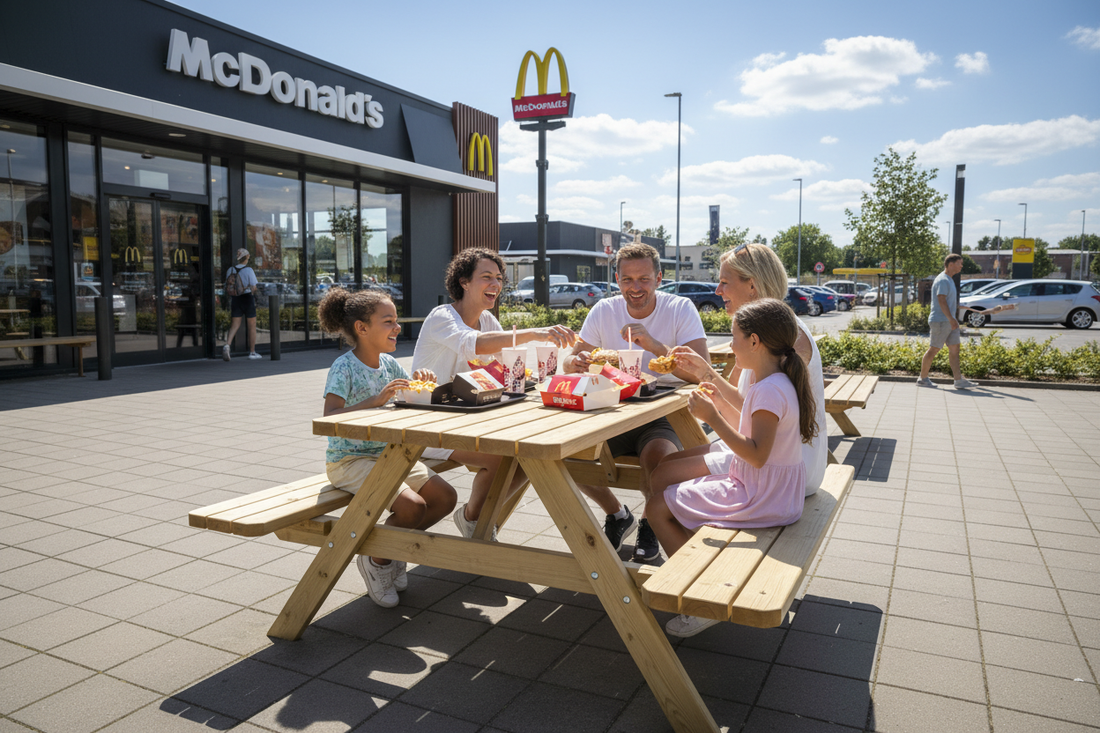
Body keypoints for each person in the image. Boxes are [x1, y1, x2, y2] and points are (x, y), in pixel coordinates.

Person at [648, 298, 818, 637]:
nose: (730, 345)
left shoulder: (769, 390)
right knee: (665, 488)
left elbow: (756, 455)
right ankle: (702, 573)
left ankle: (702, 593)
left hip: (761, 495)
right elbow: (757, 442)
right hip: (772, 490)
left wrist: (712, 417)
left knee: (655, 507)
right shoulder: (777, 381)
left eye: (734, 336)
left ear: (755, 342)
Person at [412, 248, 577, 538]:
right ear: (464, 282)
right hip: (429, 422)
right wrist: (533, 333)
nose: (495, 285)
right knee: (502, 458)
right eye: (486, 277)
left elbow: (505, 367)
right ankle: (476, 521)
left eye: (499, 278)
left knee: (530, 455)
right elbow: (474, 345)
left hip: (469, 418)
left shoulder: (489, 321)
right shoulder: (442, 317)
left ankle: (475, 517)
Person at [564, 242, 709, 561]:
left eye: (644, 279)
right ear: (617, 279)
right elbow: (570, 361)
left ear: (659, 278)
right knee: (565, 456)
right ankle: (617, 514)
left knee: (658, 460)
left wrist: (655, 345)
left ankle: (649, 522)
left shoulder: (679, 308)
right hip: (609, 410)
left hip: (663, 412)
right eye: (627, 279)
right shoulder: (604, 310)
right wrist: (576, 362)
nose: (635, 287)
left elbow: (703, 373)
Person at [655, 242, 828, 501]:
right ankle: (666, 527)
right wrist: (704, 371)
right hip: (768, 455)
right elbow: (748, 409)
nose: (717, 290)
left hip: (785, 470)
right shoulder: (763, 332)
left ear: (752, 285)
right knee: (663, 466)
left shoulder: (784, 339)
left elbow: (760, 426)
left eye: (725, 282)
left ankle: (672, 529)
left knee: (663, 477)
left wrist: (712, 411)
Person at [319, 287, 458, 608]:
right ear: (362, 328)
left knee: (444, 498)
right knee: (412, 508)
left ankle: (392, 550)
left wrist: (423, 382)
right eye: (388, 321)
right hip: (350, 460)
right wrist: (376, 400)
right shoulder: (344, 367)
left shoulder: (389, 364)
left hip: (390, 455)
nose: (397, 327)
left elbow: (410, 397)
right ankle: (377, 560)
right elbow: (328, 418)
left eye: (396, 320)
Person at [917, 253, 978, 389]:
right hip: (941, 321)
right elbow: (941, 299)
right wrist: (951, 319)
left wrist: (958, 310)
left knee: (955, 349)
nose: (961, 266)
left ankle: (958, 380)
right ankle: (923, 379)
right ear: (951, 264)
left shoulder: (949, 279)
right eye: (959, 263)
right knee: (934, 349)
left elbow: (947, 301)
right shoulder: (943, 280)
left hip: (950, 321)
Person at [223, 248, 261, 361]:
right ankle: (252, 352)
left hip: (235, 299)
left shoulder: (230, 270)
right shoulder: (249, 270)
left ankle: (227, 345)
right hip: (247, 298)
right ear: (247, 257)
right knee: (252, 326)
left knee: (234, 325)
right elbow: (254, 287)